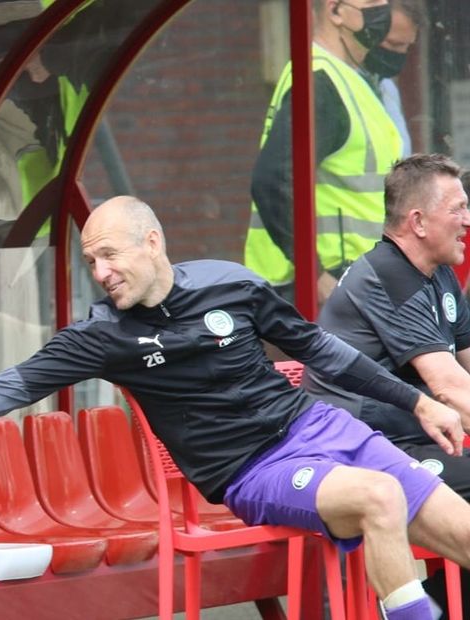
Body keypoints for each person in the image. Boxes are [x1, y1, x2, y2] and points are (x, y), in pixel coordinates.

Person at [0, 195, 470, 620]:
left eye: (110, 255)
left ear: (152, 243)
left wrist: (417, 401)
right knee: (379, 499)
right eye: (91, 261)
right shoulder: (101, 337)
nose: (100, 271)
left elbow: (323, 352)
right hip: (252, 469)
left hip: (322, 428)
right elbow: (0, 390)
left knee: (462, 532)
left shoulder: (233, 284)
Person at [305, 153, 470, 613]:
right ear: (417, 221)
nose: (468, 220)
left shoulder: (438, 276)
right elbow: (450, 388)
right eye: (457, 208)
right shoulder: (389, 275)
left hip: (415, 440)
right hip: (362, 451)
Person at [245, 0, 402, 305]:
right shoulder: (320, 81)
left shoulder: (346, 79)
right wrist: (315, 274)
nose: (383, 9)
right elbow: (272, 180)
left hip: (354, 279)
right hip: (328, 286)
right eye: (372, 2)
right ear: (335, 11)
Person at [367, 0, 424, 158]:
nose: (400, 53)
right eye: (393, 44)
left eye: (406, 46)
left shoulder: (387, 88)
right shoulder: (337, 82)